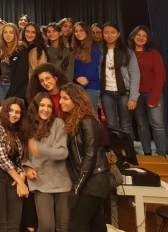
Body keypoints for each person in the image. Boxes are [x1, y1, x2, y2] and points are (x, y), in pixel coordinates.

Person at [60, 83, 110, 232]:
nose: (61, 101)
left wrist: (77, 187)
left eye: (65, 98)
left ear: (76, 100)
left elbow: (90, 156)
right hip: (86, 180)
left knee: (76, 225)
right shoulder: (72, 121)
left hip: (94, 180)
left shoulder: (87, 121)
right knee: (96, 224)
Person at [22, 92, 71, 232]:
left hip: (61, 181)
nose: (46, 109)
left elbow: (62, 153)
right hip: (40, 180)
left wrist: (39, 148)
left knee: (63, 227)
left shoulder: (58, 123)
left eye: (49, 106)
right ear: (36, 106)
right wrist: (27, 167)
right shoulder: (27, 125)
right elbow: (23, 154)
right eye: (42, 105)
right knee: (47, 226)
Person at [0, 97, 29, 232]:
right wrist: (20, 181)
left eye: (17, 112)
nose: (13, 115)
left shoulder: (19, 131)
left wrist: (21, 175)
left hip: (13, 179)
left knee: (14, 226)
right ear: (4, 110)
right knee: (1, 226)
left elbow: (21, 160)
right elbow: (0, 157)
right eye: (11, 110)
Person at [128, 25, 166, 156]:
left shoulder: (154, 54)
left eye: (144, 36)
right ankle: (147, 154)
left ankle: (162, 155)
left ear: (148, 39)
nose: (141, 38)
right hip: (136, 95)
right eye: (138, 35)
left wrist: (154, 98)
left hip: (152, 93)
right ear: (133, 36)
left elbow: (160, 76)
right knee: (141, 125)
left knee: (157, 125)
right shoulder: (128, 53)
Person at [100, 22, 140, 138]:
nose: (109, 35)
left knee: (126, 124)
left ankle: (129, 154)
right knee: (112, 125)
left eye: (112, 32)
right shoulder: (100, 52)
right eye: (106, 32)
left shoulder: (127, 51)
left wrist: (133, 98)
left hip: (124, 93)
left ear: (118, 34)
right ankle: (116, 153)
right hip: (106, 93)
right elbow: (97, 74)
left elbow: (135, 75)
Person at [0, 23, 29, 103]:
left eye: (11, 32)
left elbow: (22, 74)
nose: (8, 35)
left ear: (15, 34)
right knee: (3, 112)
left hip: (16, 89)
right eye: (5, 32)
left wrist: (11, 91)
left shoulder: (21, 50)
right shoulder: (1, 49)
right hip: (2, 85)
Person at [72, 22, 102, 111]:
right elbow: (73, 66)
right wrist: (77, 78)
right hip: (77, 86)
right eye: (76, 31)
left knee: (91, 117)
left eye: (81, 30)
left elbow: (93, 67)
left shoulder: (95, 47)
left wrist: (83, 81)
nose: (78, 33)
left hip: (91, 86)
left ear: (87, 31)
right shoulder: (75, 47)